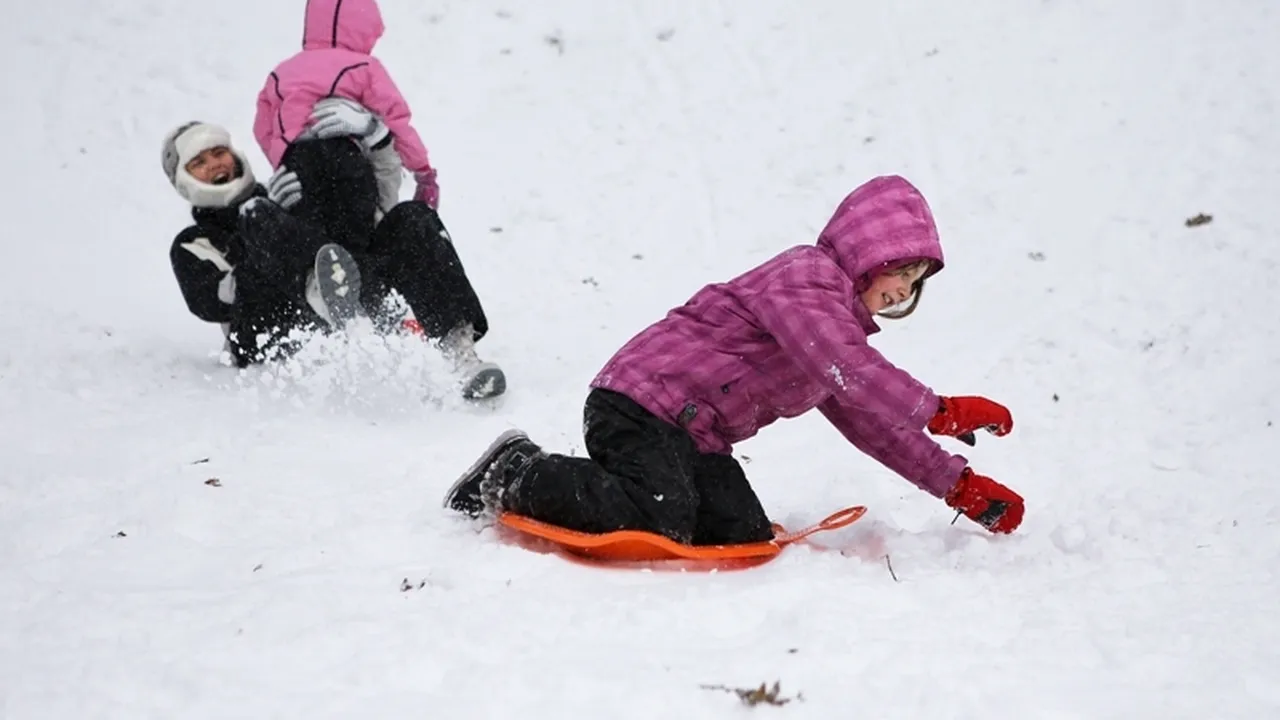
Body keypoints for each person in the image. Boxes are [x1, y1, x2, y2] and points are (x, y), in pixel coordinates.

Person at [444, 175, 1025, 544]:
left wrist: (957, 485)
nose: (903, 290)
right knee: (658, 516)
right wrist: (940, 409)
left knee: (737, 533)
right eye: (901, 271)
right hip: (640, 403)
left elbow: (873, 421)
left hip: (696, 436)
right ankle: (516, 469)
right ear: (869, 254)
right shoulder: (806, 281)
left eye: (915, 281)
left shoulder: (838, 343)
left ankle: (618, 488)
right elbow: (853, 371)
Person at [164, 117, 504, 399]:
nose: (215, 165)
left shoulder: (280, 194)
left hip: (341, 296)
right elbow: (217, 301)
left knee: (410, 218)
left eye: (218, 152)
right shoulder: (194, 242)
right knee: (259, 214)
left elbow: (368, 223)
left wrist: (369, 144)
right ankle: (320, 288)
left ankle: (457, 351)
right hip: (266, 331)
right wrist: (276, 226)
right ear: (185, 180)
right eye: (199, 163)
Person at [252, 0, 438, 255]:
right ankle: (359, 266)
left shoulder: (281, 72)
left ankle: (321, 271)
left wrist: (281, 158)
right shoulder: (365, 67)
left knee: (308, 221)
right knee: (357, 218)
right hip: (344, 154)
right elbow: (396, 119)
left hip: (297, 159)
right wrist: (422, 171)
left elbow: (262, 128)